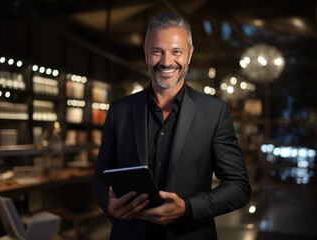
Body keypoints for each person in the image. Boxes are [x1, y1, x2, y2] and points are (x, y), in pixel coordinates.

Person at [91, 12, 251, 240]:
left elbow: (239, 187)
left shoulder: (214, 112)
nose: (167, 62)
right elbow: (99, 178)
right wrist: (109, 205)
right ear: (146, 53)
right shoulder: (120, 111)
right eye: (157, 51)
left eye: (176, 51)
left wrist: (188, 208)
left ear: (189, 54)